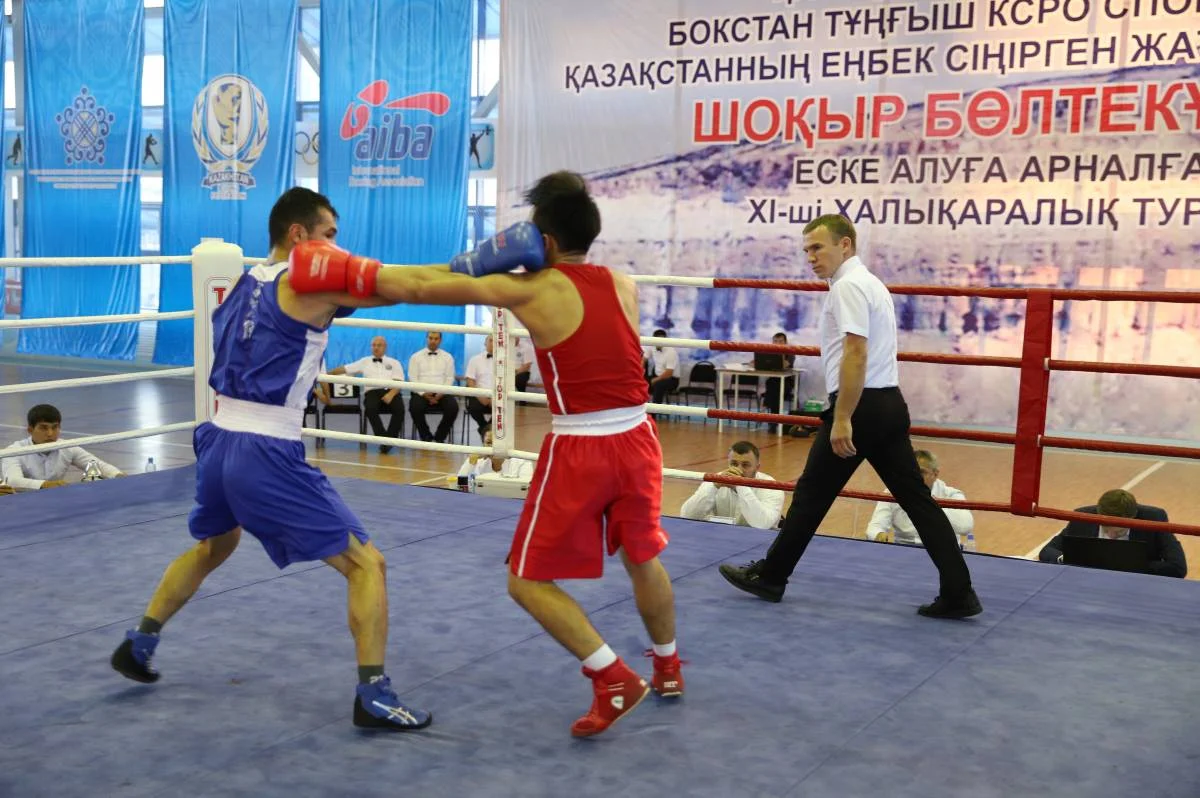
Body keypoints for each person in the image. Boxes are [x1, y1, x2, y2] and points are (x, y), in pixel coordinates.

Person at [287, 171, 683, 738]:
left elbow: (421, 289)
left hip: (584, 446)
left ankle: (611, 676)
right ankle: (668, 666)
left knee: (525, 581)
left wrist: (354, 271)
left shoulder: (530, 288)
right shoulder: (623, 284)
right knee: (642, 557)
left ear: (540, 240)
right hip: (640, 438)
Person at [109, 187, 431, 732]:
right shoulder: (306, 283)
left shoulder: (242, 282)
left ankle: (139, 641)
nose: (336, 244)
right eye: (329, 234)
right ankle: (373, 693)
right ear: (298, 235)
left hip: (216, 439)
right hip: (265, 448)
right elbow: (402, 288)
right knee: (366, 565)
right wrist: (481, 277)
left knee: (215, 544)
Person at [718, 215, 981, 619]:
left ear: (845, 244)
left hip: (861, 407)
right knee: (915, 500)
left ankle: (771, 576)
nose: (810, 256)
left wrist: (842, 419)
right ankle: (959, 592)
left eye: (817, 247)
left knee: (811, 495)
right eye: (806, 249)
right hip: (887, 403)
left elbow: (856, 352)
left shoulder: (849, 286)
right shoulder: (869, 283)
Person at [1038, 489, 1186, 578]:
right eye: (1106, 529)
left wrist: (1132, 565)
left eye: (1120, 531)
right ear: (1098, 514)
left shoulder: (1153, 519)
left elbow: (1178, 567)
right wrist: (1068, 558)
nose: (1111, 535)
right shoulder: (1083, 517)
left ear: (1133, 518)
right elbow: (1047, 551)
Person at [865, 449, 975, 550]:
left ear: (935, 474)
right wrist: (878, 535)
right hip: (903, 550)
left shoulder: (952, 494)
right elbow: (874, 527)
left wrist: (929, 504)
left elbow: (965, 526)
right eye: (912, 471)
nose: (916, 476)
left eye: (922, 472)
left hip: (942, 550)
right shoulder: (892, 492)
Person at [2, 404, 124, 490]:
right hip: (18, 506)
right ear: (30, 430)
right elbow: (13, 481)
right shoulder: (14, 451)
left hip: (55, 503)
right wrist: (46, 485)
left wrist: (119, 476)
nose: (50, 433)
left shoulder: (67, 447)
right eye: (43, 428)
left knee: (96, 480)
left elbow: (96, 465)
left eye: (54, 427)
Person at [680, 441, 784, 530]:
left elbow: (763, 524)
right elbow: (687, 515)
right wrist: (713, 487)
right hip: (722, 540)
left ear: (757, 467)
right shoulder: (716, 480)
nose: (738, 470)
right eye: (734, 464)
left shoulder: (772, 487)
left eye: (745, 465)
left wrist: (740, 486)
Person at [327, 336, 406, 452]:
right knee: (370, 408)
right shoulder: (365, 361)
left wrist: (390, 394)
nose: (376, 348)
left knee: (400, 409)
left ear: (385, 347)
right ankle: (384, 440)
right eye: (373, 345)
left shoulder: (395, 363)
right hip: (372, 392)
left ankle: (389, 440)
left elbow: (399, 382)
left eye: (379, 345)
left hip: (391, 391)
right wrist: (326, 374)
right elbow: (345, 369)